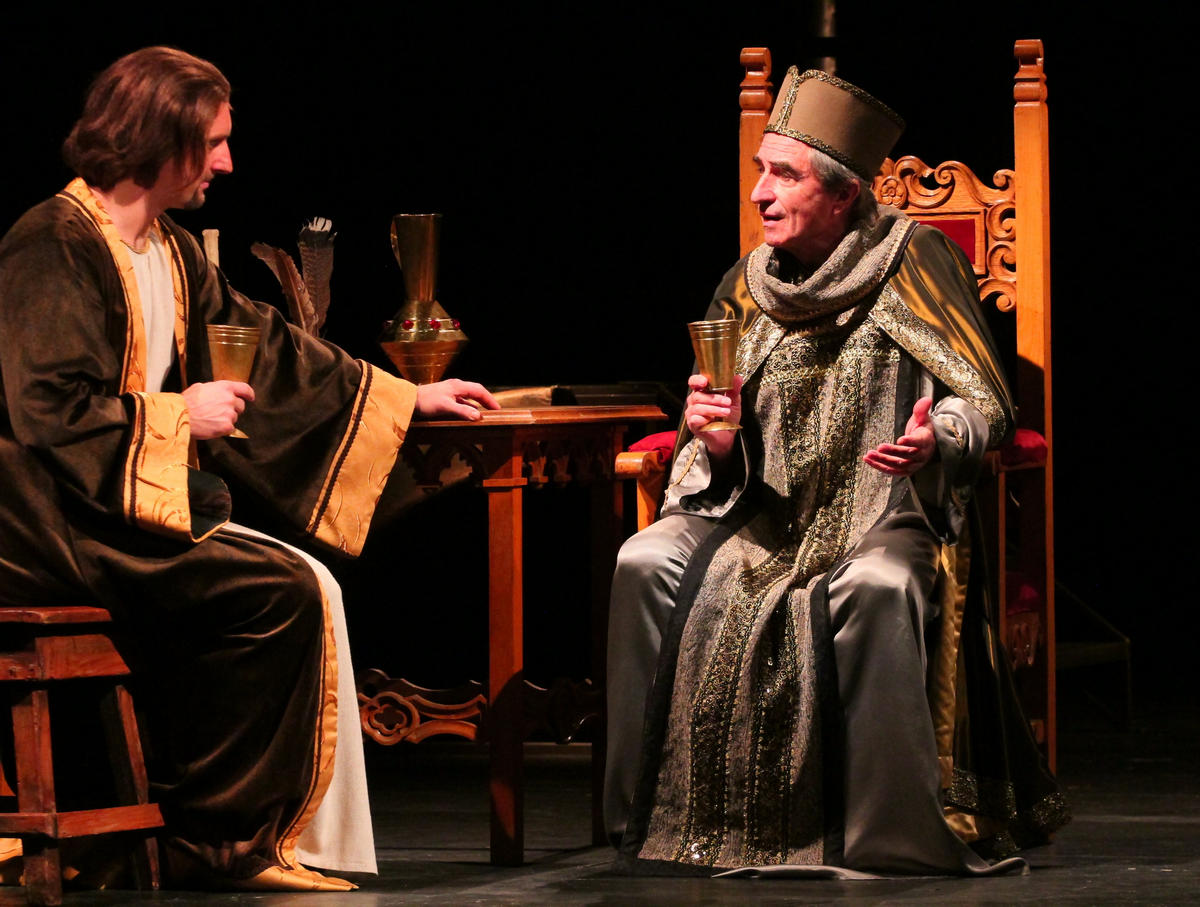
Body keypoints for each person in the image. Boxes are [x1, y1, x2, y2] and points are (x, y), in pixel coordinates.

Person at [0, 46, 498, 891]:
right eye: (213, 142)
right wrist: (176, 416)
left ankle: (216, 830)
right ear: (159, 137)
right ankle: (215, 837)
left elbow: (265, 348)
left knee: (293, 581)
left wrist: (407, 399)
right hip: (49, 522)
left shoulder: (170, 249)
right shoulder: (52, 242)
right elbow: (48, 409)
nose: (227, 162)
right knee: (283, 590)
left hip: (117, 509)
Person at [605, 67, 1067, 876]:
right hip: (759, 515)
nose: (760, 193)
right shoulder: (745, 285)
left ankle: (883, 830)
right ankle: (648, 817)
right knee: (643, 561)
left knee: (877, 585)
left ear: (844, 193)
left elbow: (986, 403)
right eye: (761, 170)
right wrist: (714, 438)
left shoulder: (916, 262)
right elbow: (710, 438)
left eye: (784, 175)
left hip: (888, 512)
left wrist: (937, 438)